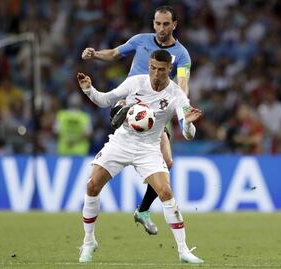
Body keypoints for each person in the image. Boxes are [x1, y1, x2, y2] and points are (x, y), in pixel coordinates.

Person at [77, 50, 204, 264]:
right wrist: (89, 89)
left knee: (165, 191)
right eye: (152, 68)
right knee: (91, 186)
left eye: (161, 70)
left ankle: (183, 251)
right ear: (149, 66)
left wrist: (189, 122)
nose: (156, 73)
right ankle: (89, 241)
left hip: (149, 148)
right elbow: (104, 100)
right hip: (122, 142)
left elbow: (188, 135)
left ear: (169, 70)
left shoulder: (176, 95)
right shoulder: (135, 82)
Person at [82, 5, 191, 235]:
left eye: (166, 24)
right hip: (132, 97)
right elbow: (114, 53)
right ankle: (121, 113)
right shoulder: (140, 40)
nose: (161, 28)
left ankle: (143, 210)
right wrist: (95, 54)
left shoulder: (181, 54)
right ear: (153, 23)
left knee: (168, 161)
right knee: (124, 109)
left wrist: (183, 109)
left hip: (158, 108)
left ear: (174, 25)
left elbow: (182, 82)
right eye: (158, 23)